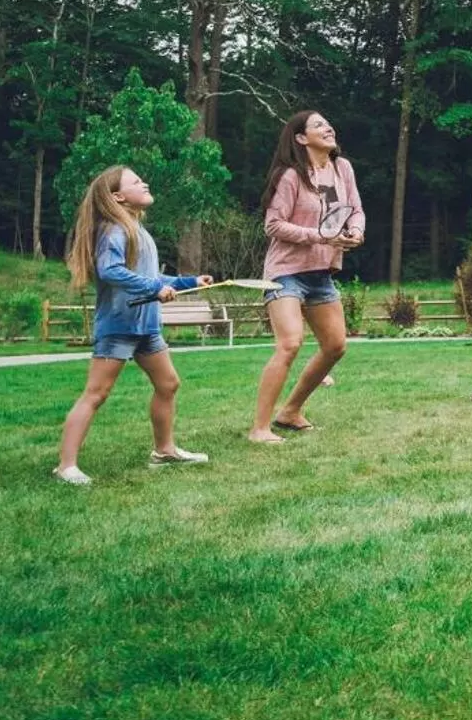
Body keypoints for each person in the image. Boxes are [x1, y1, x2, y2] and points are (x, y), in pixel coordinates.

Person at [54, 166, 213, 485]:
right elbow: (111, 271)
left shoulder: (138, 231)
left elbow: (150, 277)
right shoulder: (114, 229)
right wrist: (153, 289)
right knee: (96, 393)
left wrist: (186, 281)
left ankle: (164, 451)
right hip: (118, 326)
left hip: (146, 328)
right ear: (118, 197)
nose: (146, 182)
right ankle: (65, 466)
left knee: (168, 384)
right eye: (136, 181)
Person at [252, 110, 363, 443]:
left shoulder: (342, 169)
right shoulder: (289, 176)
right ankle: (259, 429)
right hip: (286, 272)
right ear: (301, 138)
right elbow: (273, 225)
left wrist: (355, 231)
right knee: (289, 344)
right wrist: (320, 235)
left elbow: (355, 209)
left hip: (320, 271)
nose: (328, 127)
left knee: (335, 345)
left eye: (328, 123)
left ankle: (290, 411)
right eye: (318, 125)